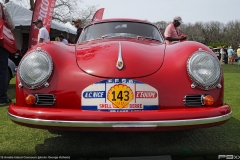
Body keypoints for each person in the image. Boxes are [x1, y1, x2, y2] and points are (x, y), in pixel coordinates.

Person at [0, 2, 15, 106]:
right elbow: (11, 25)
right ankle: (2, 98)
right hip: (1, 43)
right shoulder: (1, 6)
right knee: (2, 71)